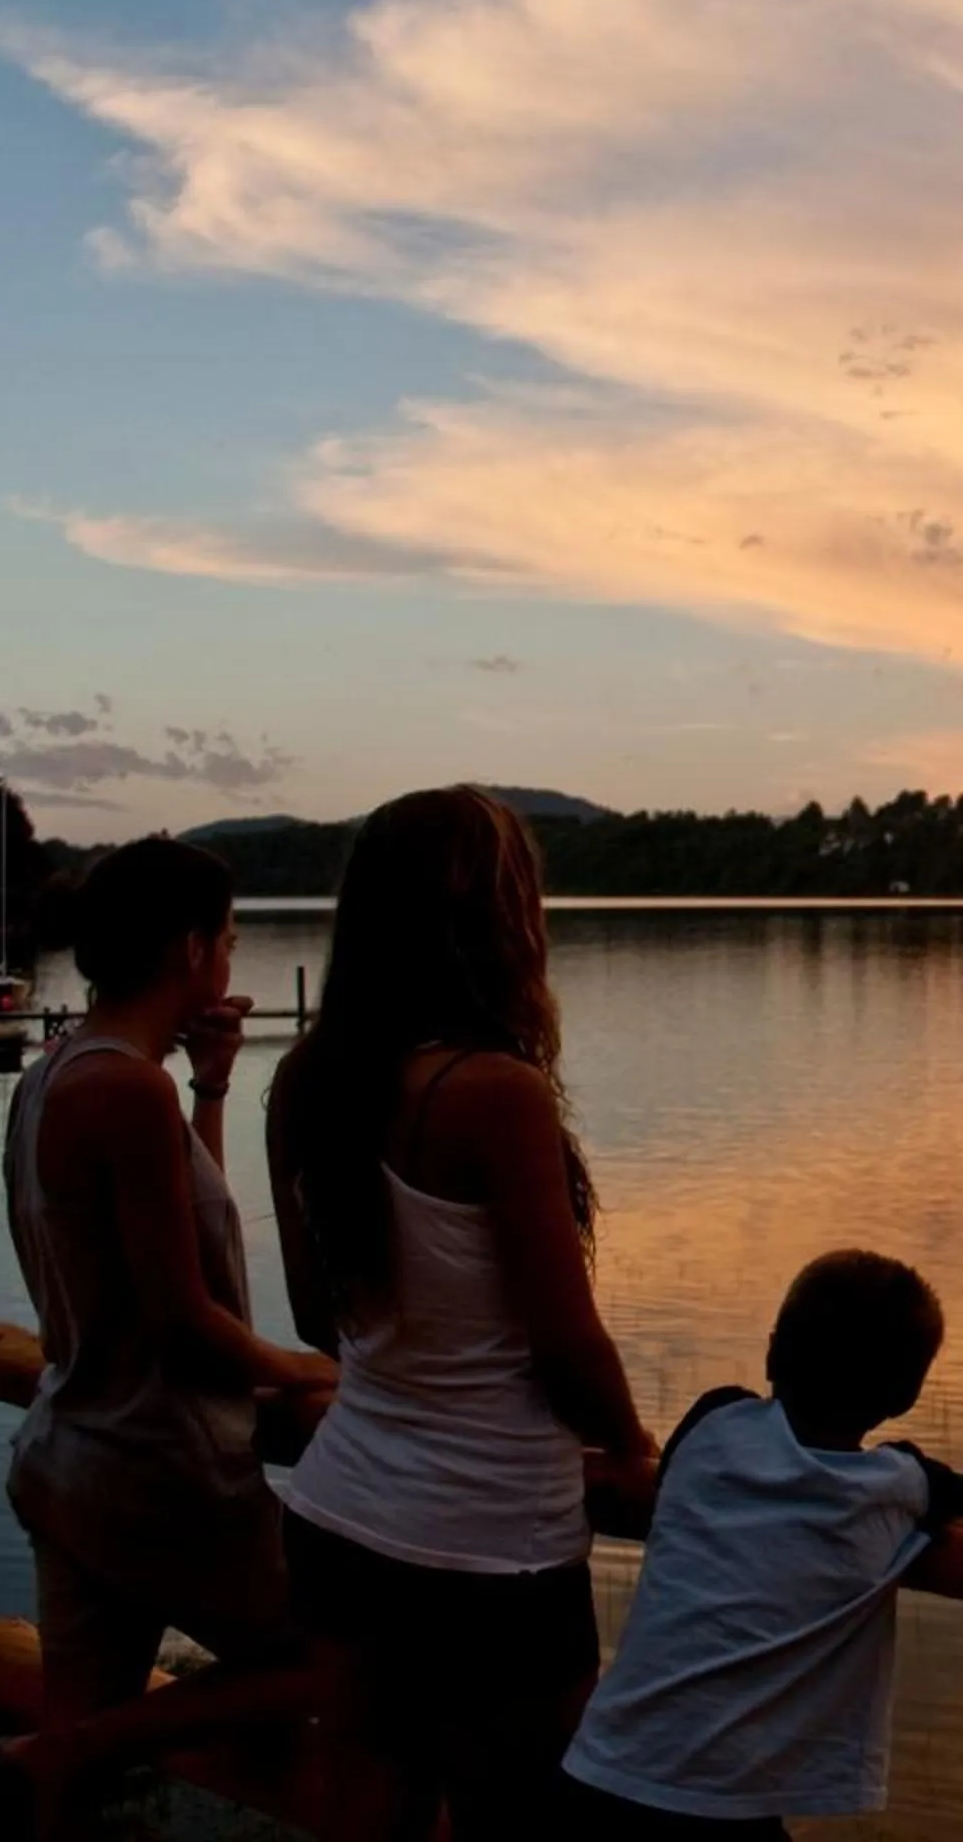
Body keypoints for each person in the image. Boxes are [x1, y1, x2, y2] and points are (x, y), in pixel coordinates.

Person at [268, 786, 659, 1842]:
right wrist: (632, 1447)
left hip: (345, 1513)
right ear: (493, 915)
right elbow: (565, 1341)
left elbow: (318, 1315)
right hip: (492, 1542)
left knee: (369, 1809)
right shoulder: (492, 1092)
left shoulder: (305, 1078)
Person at [0, 835, 337, 1831]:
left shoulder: (59, 1073)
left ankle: (70, 1748)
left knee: (64, 1796)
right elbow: (187, 1322)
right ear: (193, 948)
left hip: (68, 1452)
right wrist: (318, 1375)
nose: (231, 961)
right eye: (229, 938)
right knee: (343, 1647)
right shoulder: (125, 1091)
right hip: (157, 1464)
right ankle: (77, 1744)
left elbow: (186, 1229)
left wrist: (215, 1085)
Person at [559, 1250, 963, 1838]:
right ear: (904, 1397)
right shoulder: (894, 1484)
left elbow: (676, 1472)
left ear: (773, 1351)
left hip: (595, 1772)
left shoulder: (713, 1421)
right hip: (720, 1806)